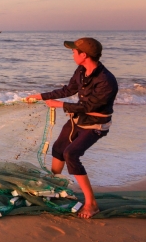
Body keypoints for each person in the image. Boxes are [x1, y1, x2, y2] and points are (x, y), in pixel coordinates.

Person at [23, 37, 117, 219]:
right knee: (58, 149)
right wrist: (41, 96)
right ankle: (54, 187)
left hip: (96, 124)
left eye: (74, 51)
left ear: (84, 55)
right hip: (78, 119)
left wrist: (59, 105)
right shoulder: (82, 70)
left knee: (71, 154)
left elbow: (89, 107)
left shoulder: (106, 80)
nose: (72, 54)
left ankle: (92, 203)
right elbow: (69, 90)